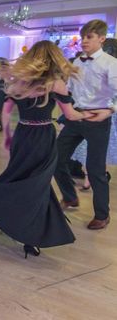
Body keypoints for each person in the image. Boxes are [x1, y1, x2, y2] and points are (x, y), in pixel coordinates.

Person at [0, 41, 92, 258]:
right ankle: (28, 233)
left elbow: (6, 110)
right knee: (37, 185)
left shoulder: (20, 83)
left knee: (20, 178)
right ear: (53, 58)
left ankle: (5, 213)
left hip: (22, 135)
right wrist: (91, 115)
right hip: (42, 136)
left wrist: (7, 135)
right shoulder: (55, 83)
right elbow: (70, 115)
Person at [54, 20, 117, 230]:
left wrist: (110, 110)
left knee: (95, 169)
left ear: (102, 38)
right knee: (56, 158)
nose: (84, 41)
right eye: (83, 37)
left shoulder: (110, 63)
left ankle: (102, 215)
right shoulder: (77, 62)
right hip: (76, 117)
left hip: (98, 119)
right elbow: (70, 90)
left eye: (89, 37)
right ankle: (70, 197)